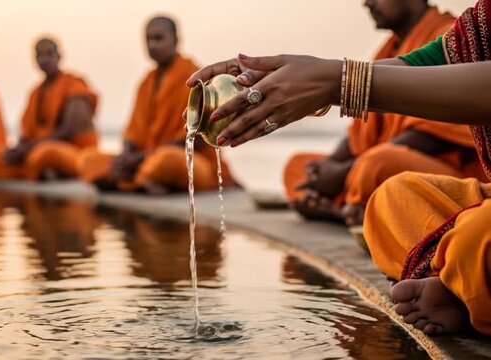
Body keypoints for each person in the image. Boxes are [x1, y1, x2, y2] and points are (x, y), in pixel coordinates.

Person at [186, 0, 491, 336]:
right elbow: (401, 77)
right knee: (390, 201)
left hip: (428, 166)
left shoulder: (438, 27)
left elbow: (426, 132)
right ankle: (463, 281)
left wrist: (335, 83)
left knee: (464, 229)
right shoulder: (466, 30)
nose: (367, 2)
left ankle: (463, 281)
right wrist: (298, 83)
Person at [283, 0, 484, 226]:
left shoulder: (450, 35)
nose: (367, 3)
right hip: (377, 165)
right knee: (299, 166)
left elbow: (432, 134)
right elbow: (359, 130)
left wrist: (342, 173)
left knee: (377, 165)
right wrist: (328, 168)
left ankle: (353, 209)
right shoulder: (388, 50)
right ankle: (354, 209)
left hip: (444, 171)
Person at [77, 16, 235, 194]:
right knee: (87, 159)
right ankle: (145, 180)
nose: (152, 45)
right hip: (143, 160)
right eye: (148, 40)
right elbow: (133, 133)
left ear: (176, 40)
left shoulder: (195, 78)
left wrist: (139, 158)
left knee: (167, 160)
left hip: (188, 160)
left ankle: (136, 179)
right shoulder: (146, 83)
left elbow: (196, 138)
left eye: (158, 38)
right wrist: (126, 157)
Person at [0, 37, 98, 181]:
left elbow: (70, 130)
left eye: (49, 54)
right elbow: (26, 134)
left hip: (70, 152)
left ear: (59, 56)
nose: (44, 60)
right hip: (35, 150)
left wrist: (31, 147)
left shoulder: (74, 85)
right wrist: (18, 150)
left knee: (46, 153)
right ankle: (42, 171)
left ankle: (41, 169)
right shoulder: (35, 92)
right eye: (39, 55)